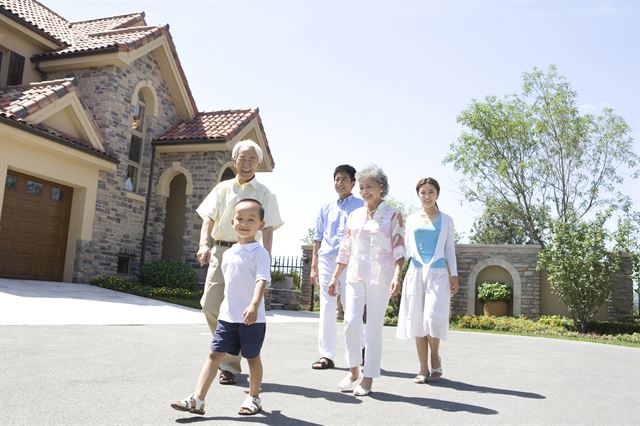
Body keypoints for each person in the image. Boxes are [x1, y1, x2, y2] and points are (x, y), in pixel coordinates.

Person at [171, 198, 271, 416]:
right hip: (228, 317)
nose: (244, 223)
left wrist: (254, 305)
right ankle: (197, 399)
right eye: (240, 219)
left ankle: (254, 398)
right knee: (214, 355)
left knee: (252, 357)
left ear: (260, 225)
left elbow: (261, 279)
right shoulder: (228, 253)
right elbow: (230, 285)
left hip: (252, 318)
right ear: (232, 221)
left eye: (251, 219)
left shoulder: (260, 253)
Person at [195, 140, 283, 385]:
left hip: (249, 255)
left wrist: (266, 257)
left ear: (258, 164)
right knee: (209, 304)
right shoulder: (222, 188)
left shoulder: (265, 193)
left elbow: (268, 228)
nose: (246, 164)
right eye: (242, 159)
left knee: (242, 312)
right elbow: (208, 218)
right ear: (234, 161)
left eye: (252, 160)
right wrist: (204, 244)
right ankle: (230, 356)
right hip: (222, 251)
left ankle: (229, 365)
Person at [328, 165, 405, 396]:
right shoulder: (354, 216)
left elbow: (399, 249)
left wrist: (397, 276)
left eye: (369, 186)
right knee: (351, 322)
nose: (364, 191)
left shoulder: (393, 215)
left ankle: (368, 377)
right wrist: (334, 277)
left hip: (380, 278)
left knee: (372, 328)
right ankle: (353, 371)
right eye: (361, 187)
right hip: (355, 275)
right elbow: (345, 249)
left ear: (381, 188)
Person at [396, 177, 459, 383]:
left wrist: (454, 275)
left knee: (432, 318)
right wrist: (395, 272)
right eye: (423, 192)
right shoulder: (412, 219)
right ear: (418, 195)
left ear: (437, 194)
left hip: (438, 273)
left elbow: (450, 249)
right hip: (415, 273)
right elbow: (405, 249)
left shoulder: (447, 220)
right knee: (417, 320)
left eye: (431, 192)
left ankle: (435, 354)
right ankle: (423, 368)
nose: (427, 196)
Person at [310, 165, 364, 370]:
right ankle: (326, 355)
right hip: (327, 259)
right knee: (327, 305)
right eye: (336, 179)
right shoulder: (325, 206)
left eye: (344, 179)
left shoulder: (361, 206)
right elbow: (317, 237)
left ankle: (360, 349)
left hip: (352, 261)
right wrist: (314, 266)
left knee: (352, 306)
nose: (339, 183)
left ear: (353, 183)